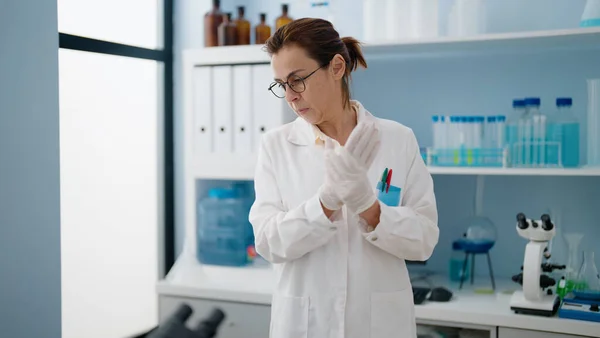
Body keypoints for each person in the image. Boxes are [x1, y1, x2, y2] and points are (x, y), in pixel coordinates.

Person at [248, 18, 439, 338]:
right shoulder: (276, 147)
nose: (290, 96)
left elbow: (424, 240)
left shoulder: (397, 140)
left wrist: (371, 209)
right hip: (306, 325)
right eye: (281, 84)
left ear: (336, 67)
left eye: (297, 80)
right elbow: (268, 242)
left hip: (379, 325)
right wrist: (324, 203)